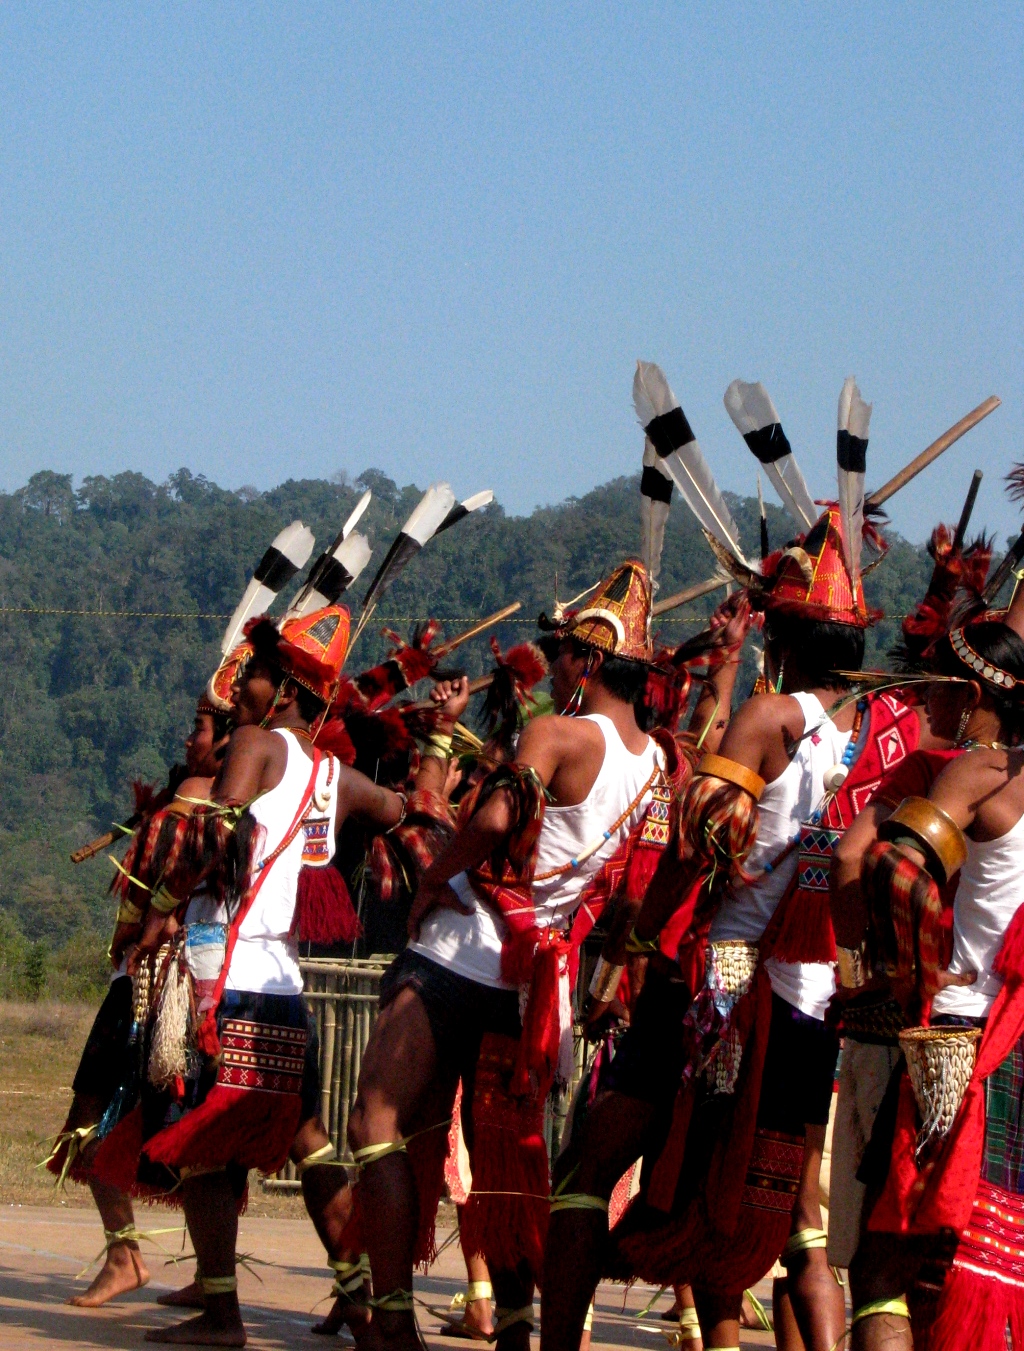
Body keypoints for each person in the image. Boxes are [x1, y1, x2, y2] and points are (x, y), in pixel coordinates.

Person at [564, 503, 925, 1351]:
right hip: (820, 1000)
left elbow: (697, 850)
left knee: (588, 1169)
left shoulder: (770, 718)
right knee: (801, 1222)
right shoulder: (895, 729)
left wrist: (637, 943)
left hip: (724, 980)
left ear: (788, 634)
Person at [99, 603, 463, 1348]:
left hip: (218, 978)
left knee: (203, 1143)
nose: (244, 684)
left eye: (257, 672)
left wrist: (158, 910)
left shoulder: (254, 743)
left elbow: (212, 835)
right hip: (282, 988)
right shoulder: (334, 775)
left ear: (287, 686)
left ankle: (224, 1314)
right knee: (312, 1141)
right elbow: (409, 815)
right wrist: (436, 741)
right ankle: (363, 1307)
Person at [344, 560, 669, 1351]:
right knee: (504, 1164)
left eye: (560, 652)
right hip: (533, 985)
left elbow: (493, 815)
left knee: (376, 1123)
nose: (551, 665)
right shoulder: (657, 762)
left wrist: (436, 878)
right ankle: (517, 1333)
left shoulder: (557, 732)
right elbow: (631, 894)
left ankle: (389, 1321)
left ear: (588, 661)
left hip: (461, 955)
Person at [847, 612, 1024, 1351]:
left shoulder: (985, 768)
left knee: (884, 1265)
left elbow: (893, 863)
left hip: (961, 1036)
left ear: (969, 690)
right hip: (1017, 1045)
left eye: (942, 689)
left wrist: (909, 968)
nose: (931, 702)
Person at [45, 696, 230, 1309]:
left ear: (226, 740)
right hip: (178, 981)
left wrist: (136, 928)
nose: (187, 739)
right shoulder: (211, 808)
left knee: (92, 1120)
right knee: (189, 1136)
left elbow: (149, 897)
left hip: (155, 985)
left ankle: (131, 1257)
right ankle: (180, 1268)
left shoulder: (195, 811)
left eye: (199, 730)